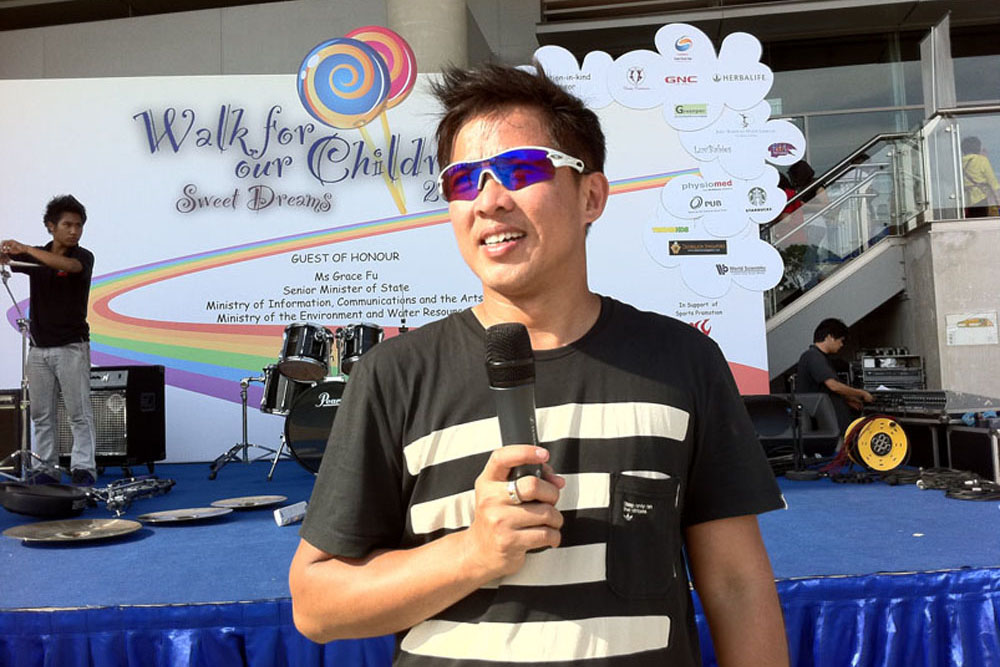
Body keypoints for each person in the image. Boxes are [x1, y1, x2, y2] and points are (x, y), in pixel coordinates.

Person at [289, 64, 789, 666]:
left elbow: (737, 585)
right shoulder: (394, 376)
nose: (489, 201)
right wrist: (473, 553)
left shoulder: (682, 362)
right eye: (463, 180)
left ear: (591, 196)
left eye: (522, 170)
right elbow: (316, 606)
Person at [0, 195, 97, 486]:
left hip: (72, 346)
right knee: (41, 415)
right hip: (38, 349)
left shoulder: (83, 257)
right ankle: (46, 469)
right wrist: (5, 253)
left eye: (78, 225)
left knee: (79, 413)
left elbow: (68, 266)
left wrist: (25, 248)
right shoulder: (36, 256)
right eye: (67, 225)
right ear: (51, 226)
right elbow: (11, 260)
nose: (74, 231)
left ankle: (84, 468)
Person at [795, 318, 873, 433]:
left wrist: (847, 399)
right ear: (830, 337)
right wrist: (861, 393)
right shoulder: (813, 357)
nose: (841, 345)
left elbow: (823, 389)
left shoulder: (819, 357)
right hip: (824, 427)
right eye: (840, 340)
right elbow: (833, 386)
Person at [961, 136, 1000, 219]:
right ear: (977, 148)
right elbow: (992, 182)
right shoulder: (982, 160)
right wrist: (998, 200)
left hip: (966, 201)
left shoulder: (959, 162)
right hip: (981, 199)